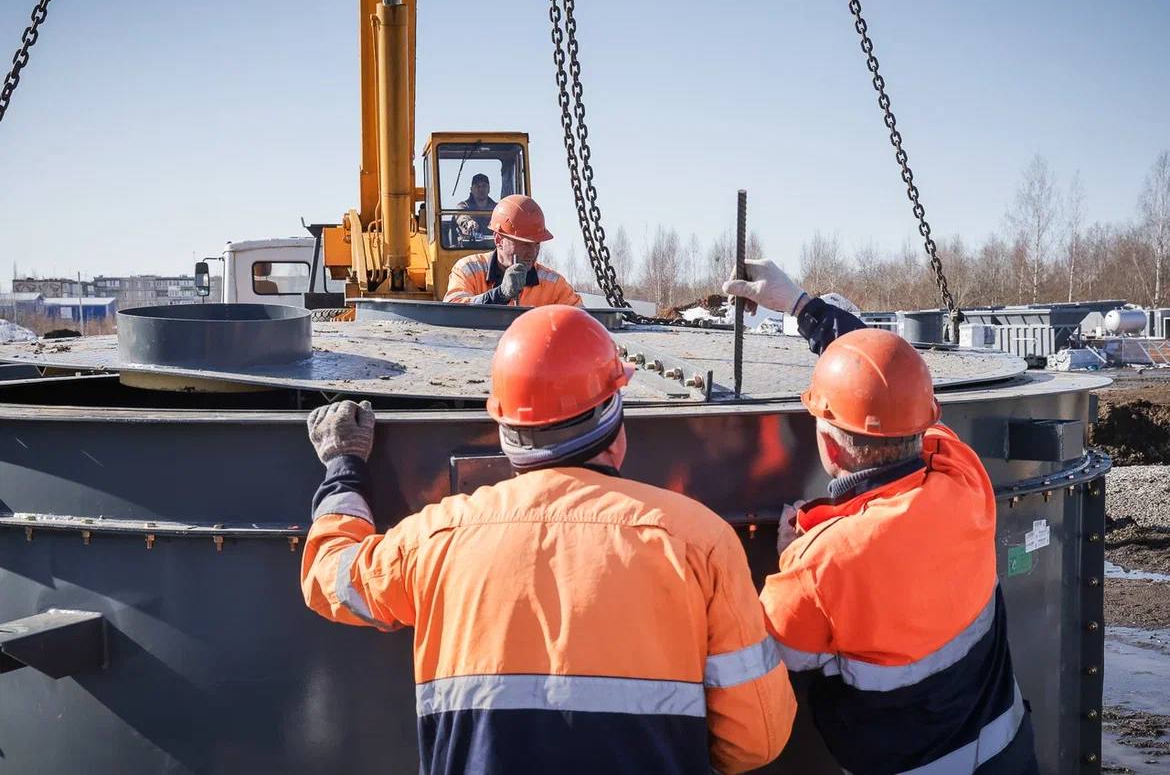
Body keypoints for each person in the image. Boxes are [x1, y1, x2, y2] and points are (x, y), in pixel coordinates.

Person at [300, 305, 796, 774]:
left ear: (504, 429)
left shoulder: (436, 540)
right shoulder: (698, 542)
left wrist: (344, 470)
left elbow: (331, 577)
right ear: (614, 421)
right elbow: (756, 738)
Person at [725, 260, 1039, 775]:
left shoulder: (816, 567)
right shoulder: (964, 479)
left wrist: (790, 559)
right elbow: (888, 385)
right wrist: (805, 306)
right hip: (1010, 755)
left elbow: (764, 688)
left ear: (826, 437)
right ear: (922, 424)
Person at [444, 194, 582, 307]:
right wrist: (500, 294)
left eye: (537, 244)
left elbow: (583, 322)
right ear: (498, 240)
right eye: (524, 244)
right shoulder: (469, 270)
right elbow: (453, 309)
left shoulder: (553, 284)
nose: (532, 253)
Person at [453, 173, 497, 238]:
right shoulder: (463, 206)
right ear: (471, 189)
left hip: (493, 246)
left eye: (484, 186)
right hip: (469, 247)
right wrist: (468, 222)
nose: (481, 189)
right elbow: (461, 215)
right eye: (478, 186)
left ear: (489, 189)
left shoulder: (497, 208)